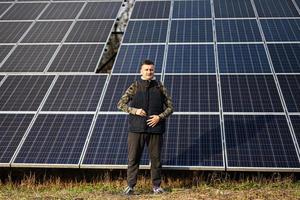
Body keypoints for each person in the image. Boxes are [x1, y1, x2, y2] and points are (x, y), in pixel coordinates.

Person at [117, 59, 173, 195]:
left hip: (156, 129)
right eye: (146, 69)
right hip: (136, 129)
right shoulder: (135, 86)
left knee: (156, 160)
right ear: (141, 71)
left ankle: (157, 187)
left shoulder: (159, 86)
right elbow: (120, 104)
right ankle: (130, 186)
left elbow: (171, 107)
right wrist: (134, 111)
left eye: (151, 70)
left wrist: (159, 117)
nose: (149, 72)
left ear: (154, 71)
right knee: (133, 159)